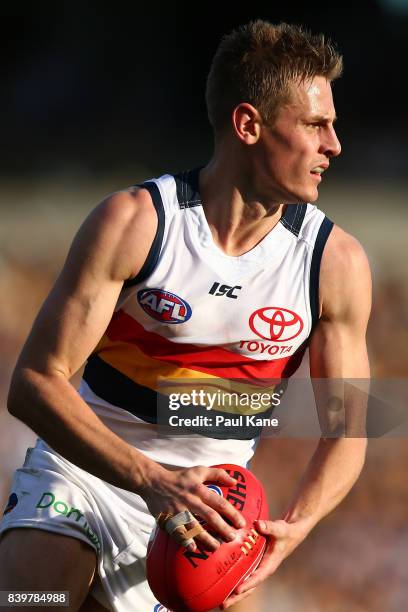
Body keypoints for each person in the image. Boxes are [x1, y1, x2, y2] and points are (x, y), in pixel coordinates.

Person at [0, 19, 370, 612]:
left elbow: (347, 426)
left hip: (213, 511)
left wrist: (296, 526)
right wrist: (150, 480)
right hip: (87, 473)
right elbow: (33, 383)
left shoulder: (334, 263)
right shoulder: (137, 223)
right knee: (28, 599)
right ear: (248, 124)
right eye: (314, 125)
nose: (334, 145)